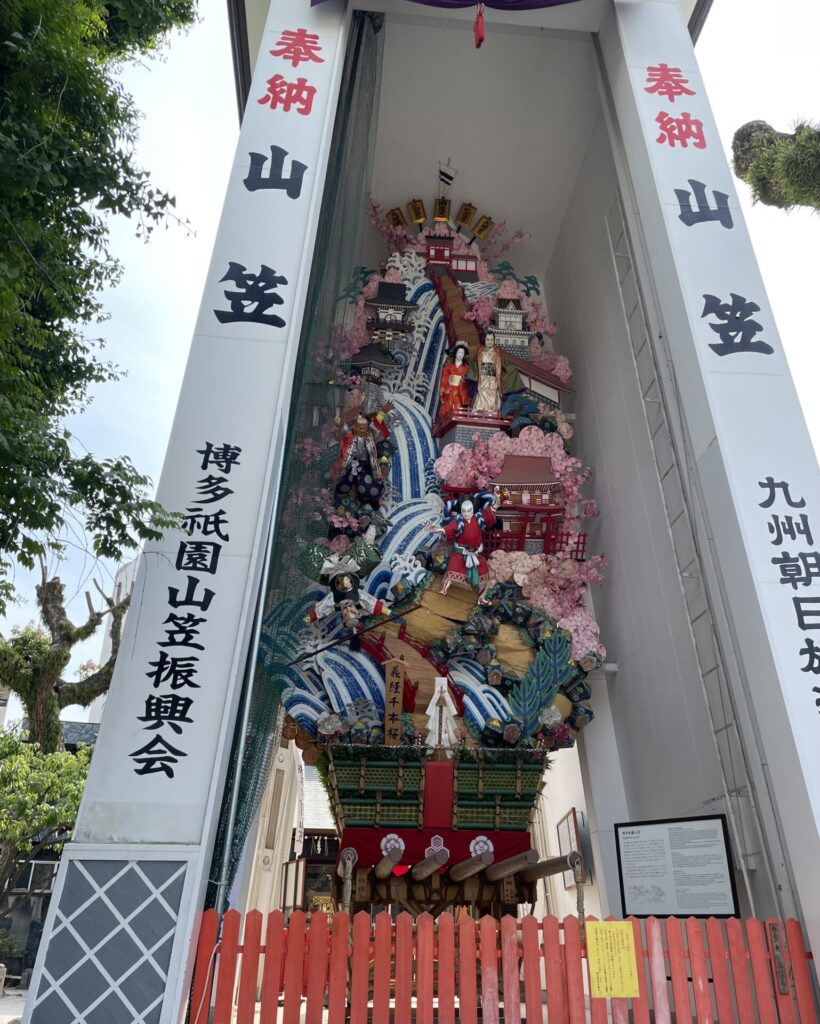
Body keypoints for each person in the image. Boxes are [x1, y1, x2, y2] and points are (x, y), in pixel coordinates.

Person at [428, 491, 498, 599]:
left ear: (473, 509)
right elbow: (447, 530)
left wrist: (497, 498)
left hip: (475, 554)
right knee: (452, 569)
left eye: (469, 511)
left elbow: (493, 508)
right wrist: (435, 529)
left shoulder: (479, 519)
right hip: (460, 554)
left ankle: (481, 598)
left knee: (484, 573)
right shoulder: (458, 521)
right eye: (463, 511)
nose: (466, 513)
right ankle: (444, 589)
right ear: (460, 510)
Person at [438, 342, 471, 418]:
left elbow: (469, 382)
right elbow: (444, 380)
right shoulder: (448, 368)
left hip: (460, 392)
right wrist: (445, 390)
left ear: (464, 355)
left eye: (462, 353)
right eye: (459, 352)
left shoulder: (467, 369)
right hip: (450, 391)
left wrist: (463, 381)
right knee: (447, 410)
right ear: (455, 353)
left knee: (459, 410)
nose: (460, 354)